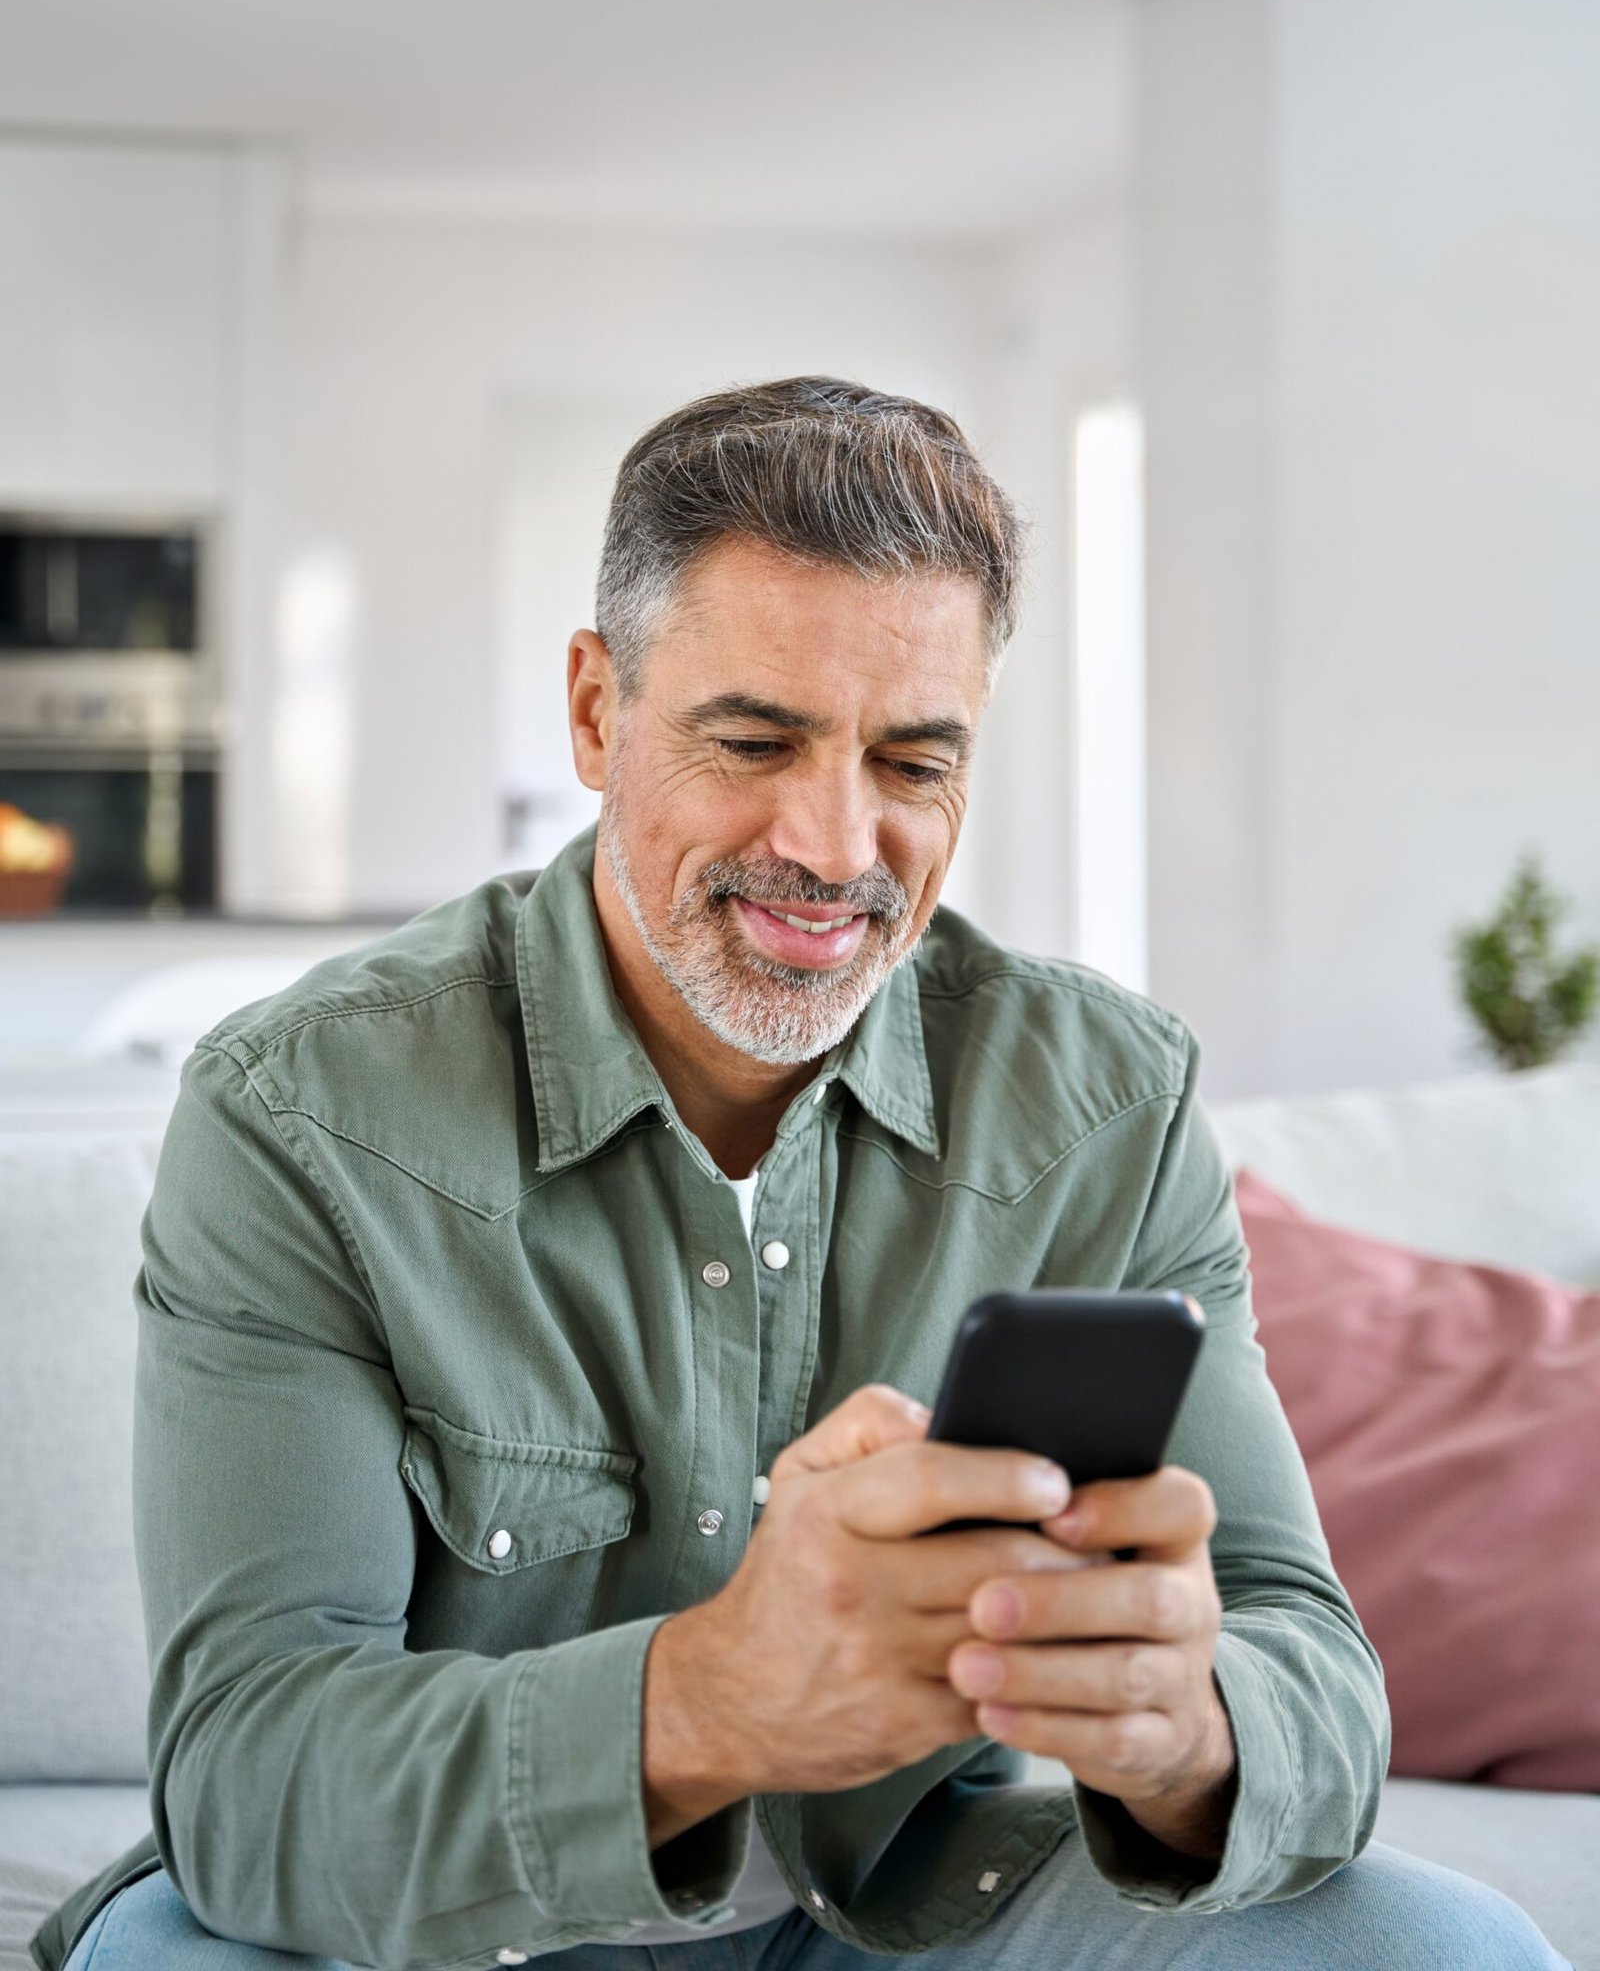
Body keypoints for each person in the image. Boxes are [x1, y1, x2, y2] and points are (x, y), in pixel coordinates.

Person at [36, 380, 1567, 1971]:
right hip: (452, 1935)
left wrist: (1189, 1733)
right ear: (593, 712)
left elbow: (1309, 1661)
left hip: (911, 1909)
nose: (836, 848)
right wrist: (709, 1698)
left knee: (1444, 1949)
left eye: (914, 763)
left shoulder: (1108, 1105)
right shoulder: (304, 1115)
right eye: (756, 741)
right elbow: (251, 1781)